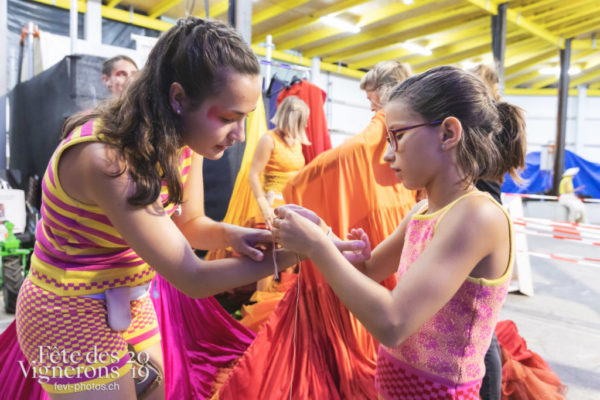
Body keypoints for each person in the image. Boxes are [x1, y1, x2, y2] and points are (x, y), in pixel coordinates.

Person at [14, 17, 305, 400]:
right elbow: (192, 277)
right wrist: (295, 254)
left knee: (155, 391)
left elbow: (190, 224)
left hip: (130, 300)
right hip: (67, 309)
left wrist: (239, 235)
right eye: (228, 118)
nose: (238, 136)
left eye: (245, 120)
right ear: (178, 98)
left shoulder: (184, 141)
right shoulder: (109, 160)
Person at [272, 65, 526, 399]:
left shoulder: (476, 216)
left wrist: (319, 247)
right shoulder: (422, 211)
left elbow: (392, 323)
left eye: (398, 137)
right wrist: (324, 234)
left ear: (448, 134)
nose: (389, 154)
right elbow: (368, 270)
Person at [249, 96, 309, 229]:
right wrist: (264, 206)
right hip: (272, 206)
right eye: (302, 121)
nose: (305, 125)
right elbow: (253, 174)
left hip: (293, 207)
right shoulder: (269, 140)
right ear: (293, 121)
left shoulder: (296, 142)